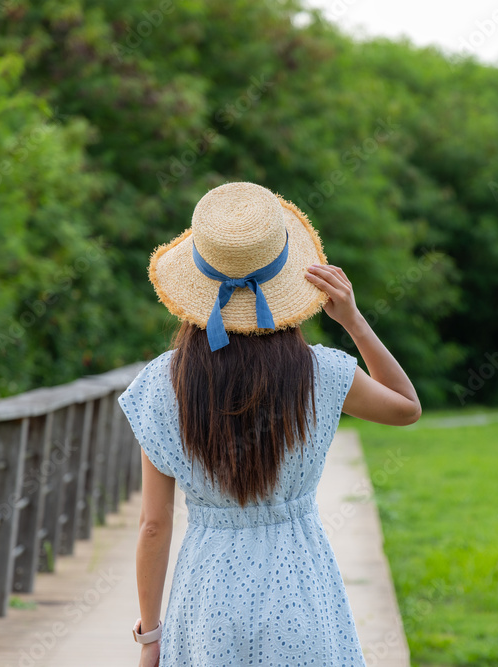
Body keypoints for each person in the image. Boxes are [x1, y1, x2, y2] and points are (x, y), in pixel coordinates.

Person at [119, 181, 420, 667]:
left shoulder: (162, 383)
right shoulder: (322, 371)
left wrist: (151, 636)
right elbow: (406, 407)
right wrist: (354, 321)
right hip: (299, 589)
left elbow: (154, 525)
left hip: (207, 598)